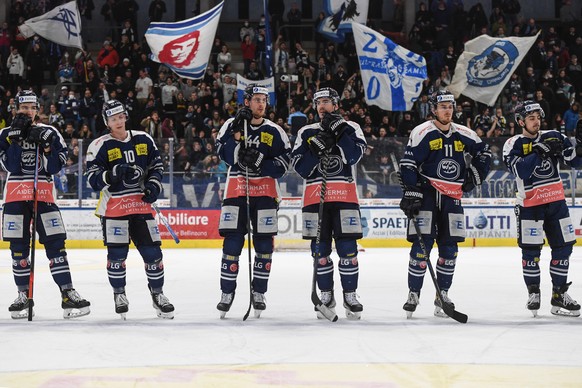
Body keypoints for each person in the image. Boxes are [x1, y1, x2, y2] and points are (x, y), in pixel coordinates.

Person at [399, 90, 491, 318]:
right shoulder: (422, 132)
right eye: (443, 107)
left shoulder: (463, 133)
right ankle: (414, 293)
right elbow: (408, 163)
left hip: (452, 197)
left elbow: (484, 153)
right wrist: (412, 192)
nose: (447, 110)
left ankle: (443, 294)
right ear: (433, 109)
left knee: (449, 249)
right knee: (421, 247)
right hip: (428, 195)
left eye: (450, 106)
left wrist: (474, 177)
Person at [0, 90, 91, 319]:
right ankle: (23, 295)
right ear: (16, 109)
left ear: (37, 109)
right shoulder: (4, 134)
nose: (28, 111)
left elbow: (53, 168)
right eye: (24, 108)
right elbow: (11, 166)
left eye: (32, 107)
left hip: (43, 195)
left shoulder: (51, 132)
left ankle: (67, 293)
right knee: (18, 250)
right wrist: (17, 139)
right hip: (14, 196)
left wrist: (48, 147)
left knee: (56, 245)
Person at [86, 100, 175, 319]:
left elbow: (156, 165)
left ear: (126, 116)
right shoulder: (98, 145)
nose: (118, 121)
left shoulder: (143, 138)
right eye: (113, 118)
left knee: (153, 254)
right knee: (117, 255)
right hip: (114, 208)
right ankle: (119, 294)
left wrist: (154, 185)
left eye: (120, 116)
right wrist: (113, 173)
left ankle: (158, 294)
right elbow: (93, 179)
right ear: (107, 122)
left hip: (141, 207)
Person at [215, 85, 291, 318]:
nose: (260, 104)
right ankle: (227, 293)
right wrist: (236, 136)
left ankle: (259, 292)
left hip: (266, 195)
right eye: (256, 100)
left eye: (263, 101)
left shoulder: (275, 130)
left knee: (264, 247)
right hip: (237, 192)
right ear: (247, 102)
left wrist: (260, 162)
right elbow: (225, 156)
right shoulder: (231, 124)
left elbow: (284, 166)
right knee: (232, 246)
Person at [291, 87, 367, 320]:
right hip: (316, 199)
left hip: (345, 198)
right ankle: (326, 295)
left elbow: (353, 156)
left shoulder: (351, 127)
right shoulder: (306, 131)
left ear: (336, 104)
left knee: (348, 251)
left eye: (326, 101)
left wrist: (338, 133)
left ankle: (350, 295)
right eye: (318, 102)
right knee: (320, 252)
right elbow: (301, 168)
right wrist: (316, 148)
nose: (322, 106)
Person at [502, 100, 581, 317]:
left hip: (556, 203)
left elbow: (575, 162)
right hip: (530, 206)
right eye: (531, 118)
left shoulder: (554, 135)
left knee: (564, 248)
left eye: (538, 117)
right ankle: (534, 292)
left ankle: (559, 294)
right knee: (530, 252)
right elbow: (522, 171)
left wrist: (580, 145)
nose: (536, 122)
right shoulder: (513, 144)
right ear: (520, 121)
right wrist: (540, 152)